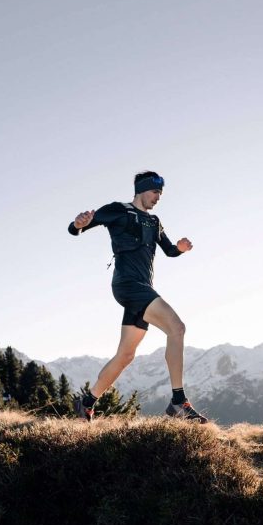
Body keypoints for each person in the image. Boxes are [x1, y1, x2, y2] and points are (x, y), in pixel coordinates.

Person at [67, 171, 207, 423]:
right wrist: (78, 224)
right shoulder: (118, 210)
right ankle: (178, 403)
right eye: (155, 192)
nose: (158, 198)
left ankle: (86, 403)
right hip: (128, 285)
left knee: (126, 355)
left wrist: (181, 249)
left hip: (141, 289)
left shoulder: (154, 222)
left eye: (161, 194)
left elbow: (169, 251)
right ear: (142, 189)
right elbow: (76, 228)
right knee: (177, 328)